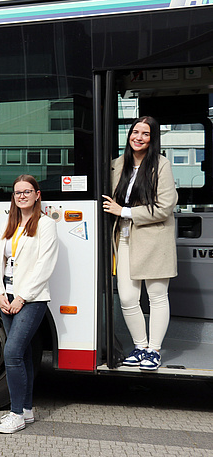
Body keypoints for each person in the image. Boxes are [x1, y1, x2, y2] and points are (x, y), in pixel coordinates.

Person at [102, 116, 177, 372]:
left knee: (156, 297)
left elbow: (165, 207)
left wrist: (124, 212)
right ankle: (140, 347)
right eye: (135, 132)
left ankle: (154, 351)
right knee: (127, 298)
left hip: (154, 239)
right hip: (123, 239)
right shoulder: (116, 165)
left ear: (152, 138)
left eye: (145, 133)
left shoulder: (161, 164)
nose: (139, 137)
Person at [0, 175, 58, 433]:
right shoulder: (10, 224)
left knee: (12, 352)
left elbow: (45, 266)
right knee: (24, 352)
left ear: (37, 194)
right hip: (6, 297)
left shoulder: (46, 225)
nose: (21, 196)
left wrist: (22, 297)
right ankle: (27, 409)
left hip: (31, 299)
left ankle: (16, 414)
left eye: (27, 191)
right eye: (17, 192)